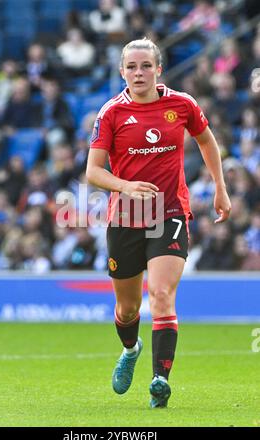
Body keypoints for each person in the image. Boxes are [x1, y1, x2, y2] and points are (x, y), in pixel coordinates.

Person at [86, 38, 231, 408]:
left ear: (158, 69)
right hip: (126, 218)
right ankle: (131, 349)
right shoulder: (111, 113)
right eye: (132, 67)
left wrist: (220, 188)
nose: (139, 73)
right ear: (122, 72)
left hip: (170, 213)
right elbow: (93, 172)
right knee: (128, 309)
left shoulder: (182, 104)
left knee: (162, 297)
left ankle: (159, 382)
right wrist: (125, 186)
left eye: (145, 66)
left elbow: (207, 142)